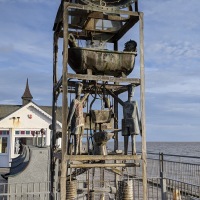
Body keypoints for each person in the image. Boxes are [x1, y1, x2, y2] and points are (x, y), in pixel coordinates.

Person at [67, 82, 89, 154]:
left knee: (80, 138)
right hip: (77, 122)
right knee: (77, 138)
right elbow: (71, 112)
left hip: (81, 122)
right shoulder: (75, 101)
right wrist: (68, 123)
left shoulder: (81, 101)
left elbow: (84, 104)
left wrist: (86, 95)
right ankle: (76, 152)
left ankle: (79, 152)